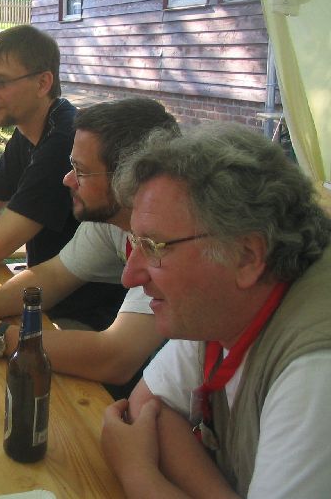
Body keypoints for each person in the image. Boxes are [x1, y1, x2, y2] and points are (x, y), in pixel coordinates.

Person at [101, 123, 331, 498]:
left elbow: (143, 429)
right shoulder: (219, 306)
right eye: (135, 243)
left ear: (246, 256)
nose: (130, 276)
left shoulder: (317, 367)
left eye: (154, 246)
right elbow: (148, 407)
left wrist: (138, 474)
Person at [0, 98, 179, 389]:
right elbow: (53, 277)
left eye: (81, 171)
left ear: (128, 178)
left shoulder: (172, 238)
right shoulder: (113, 219)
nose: (67, 180)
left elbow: (116, 358)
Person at [0, 24, 123, 330]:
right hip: (40, 300)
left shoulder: (63, 143)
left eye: (0, 82)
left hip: (84, 318)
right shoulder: (28, 132)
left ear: (43, 83)